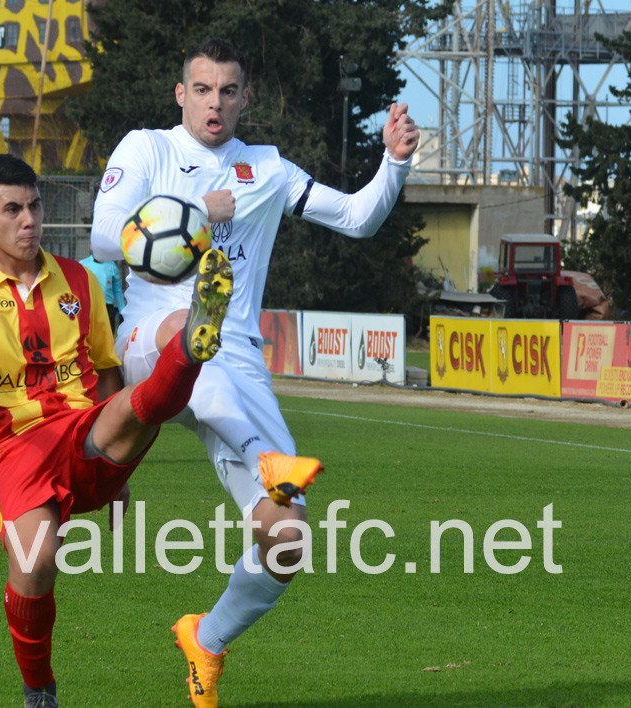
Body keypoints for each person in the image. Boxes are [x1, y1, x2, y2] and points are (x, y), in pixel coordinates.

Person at [90, 39, 419, 707]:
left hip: (232, 358)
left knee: (288, 535)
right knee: (192, 338)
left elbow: (357, 219)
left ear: (245, 99)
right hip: (149, 339)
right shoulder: (146, 149)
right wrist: (193, 219)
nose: (215, 102)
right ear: (181, 94)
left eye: (228, 91)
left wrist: (395, 161)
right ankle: (265, 454)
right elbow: (103, 236)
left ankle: (206, 640)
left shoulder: (265, 170)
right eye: (203, 89)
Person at [0, 153, 235, 708]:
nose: (29, 219)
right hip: (15, 452)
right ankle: (39, 688)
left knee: (137, 402)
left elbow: (106, 373)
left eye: (35, 205)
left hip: (83, 430)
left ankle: (190, 345)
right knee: (34, 565)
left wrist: (120, 473)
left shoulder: (79, 281)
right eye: (12, 209)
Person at [78, 254, 125, 333]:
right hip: (89, 305)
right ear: (91, 246)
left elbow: (117, 290)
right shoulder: (83, 264)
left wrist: (122, 310)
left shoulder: (111, 265)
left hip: (107, 306)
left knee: (108, 335)